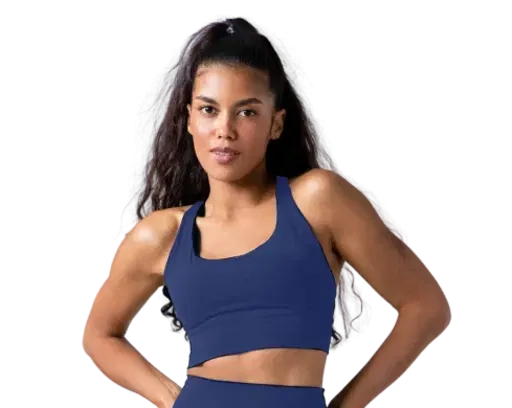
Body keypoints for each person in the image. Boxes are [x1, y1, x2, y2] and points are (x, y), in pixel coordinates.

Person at [81, 14, 452, 408]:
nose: (225, 130)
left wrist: (347, 405)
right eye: (208, 110)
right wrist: (173, 399)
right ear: (189, 119)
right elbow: (98, 336)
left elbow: (426, 306)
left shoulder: (317, 201)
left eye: (247, 112)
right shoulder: (164, 235)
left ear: (276, 124)